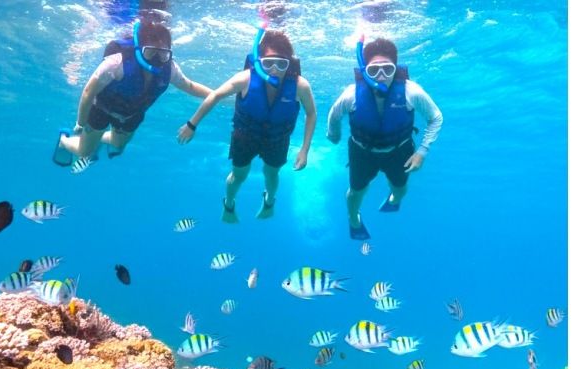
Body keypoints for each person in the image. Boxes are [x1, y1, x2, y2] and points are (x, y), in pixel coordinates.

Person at [176, 28, 317, 223]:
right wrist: (192, 125)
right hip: (245, 136)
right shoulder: (246, 78)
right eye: (268, 63)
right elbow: (215, 95)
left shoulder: (300, 86)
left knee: (271, 173)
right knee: (239, 175)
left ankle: (269, 202)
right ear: (259, 63)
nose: (275, 70)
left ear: (289, 64)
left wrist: (304, 150)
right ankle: (229, 204)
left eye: (281, 64)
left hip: (278, 139)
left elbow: (311, 113)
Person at [52, 19, 211, 173]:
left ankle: (96, 137)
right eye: (150, 53)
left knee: (118, 145)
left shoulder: (170, 68)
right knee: (84, 152)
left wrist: (216, 95)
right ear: (139, 49)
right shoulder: (117, 62)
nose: (156, 60)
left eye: (162, 55)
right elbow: (88, 92)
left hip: (131, 115)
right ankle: (64, 141)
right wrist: (80, 123)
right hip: (101, 109)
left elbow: (189, 86)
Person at [327, 37, 443, 239]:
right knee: (356, 192)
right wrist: (334, 135)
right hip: (362, 152)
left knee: (400, 188)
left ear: (395, 69)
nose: (381, 76)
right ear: (365, 72)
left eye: (387, 70)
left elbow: (436, 117)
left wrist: (422, 152)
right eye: (374, 71)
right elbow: (334, 115)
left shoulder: (411, 90)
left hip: (400, 150)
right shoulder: (351, 94)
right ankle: (353, 218)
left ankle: (393, 200)